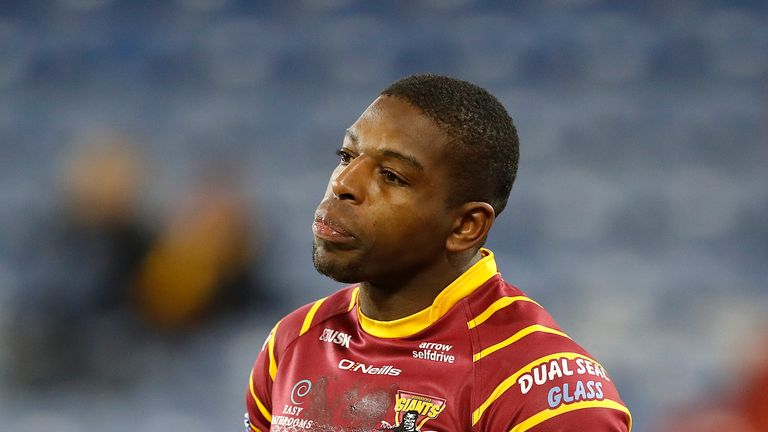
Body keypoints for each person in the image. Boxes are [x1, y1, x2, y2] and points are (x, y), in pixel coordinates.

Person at [244, 74, 631, 431]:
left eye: (392, 176)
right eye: (347, 157)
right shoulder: (292, 342)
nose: (343, 183)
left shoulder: (540, 389)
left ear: (466, 227)